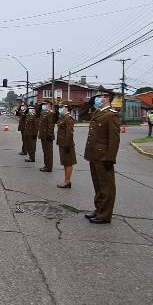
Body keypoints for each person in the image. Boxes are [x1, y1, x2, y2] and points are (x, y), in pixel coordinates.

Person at [83, 87, 121, 224]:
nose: (98, 98)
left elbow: (114, 139)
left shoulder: (112, 115)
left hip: (104, 156)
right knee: (98, 185)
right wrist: (88, 104)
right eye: (98, 96)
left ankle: (105, 215)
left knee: (106, 186)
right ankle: (99, 209)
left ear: (108, 98)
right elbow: (82, 116)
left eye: (101, 96)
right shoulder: (98, 112)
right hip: (94, 154)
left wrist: (110, 158)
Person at [55, 103, 76, 188]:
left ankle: (67, 181)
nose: (60, 109)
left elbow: (69, 132)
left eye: (61, 107)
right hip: (63, 143)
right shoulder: (63, 117)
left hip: (67, 144)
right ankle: (66, 180)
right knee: (65, 162)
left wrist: (68, 144)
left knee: (68, 163)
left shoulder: (68, 117)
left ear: (66, 108)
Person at [37, 101, 56, 172]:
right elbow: (37, 114)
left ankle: (48, 167)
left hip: (47, 135)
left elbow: (51, 125)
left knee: (48, 152)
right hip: (43, 135)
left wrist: (49, 134)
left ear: (49, 105)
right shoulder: (45, 113)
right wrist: (39, 106)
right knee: (45, 151)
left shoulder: (50, 113)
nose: (44, 106)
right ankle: (46, 165)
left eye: (45, 104)